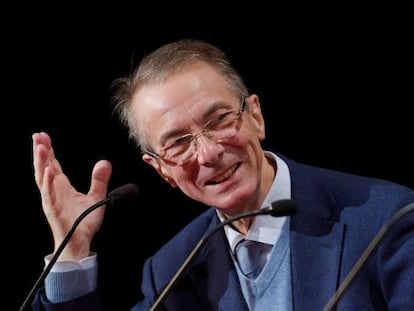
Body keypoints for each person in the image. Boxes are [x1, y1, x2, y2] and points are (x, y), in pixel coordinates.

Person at [30, 39, 414, 311]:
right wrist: (72, 253)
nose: (209, 153)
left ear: (256, 116)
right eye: (179, 142)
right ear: (161, 169)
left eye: (219, 119)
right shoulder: (171, 271)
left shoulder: (386, 220)